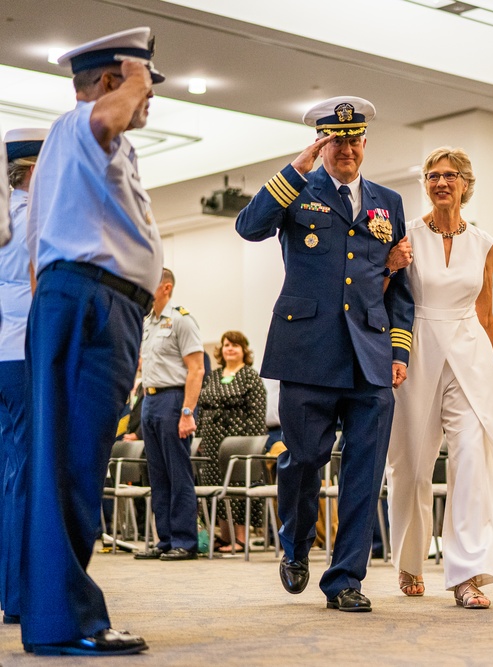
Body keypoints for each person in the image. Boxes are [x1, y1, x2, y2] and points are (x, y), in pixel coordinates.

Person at [236, 96, 414, 613]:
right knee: (304, 459)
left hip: (370, 353)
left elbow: (401, 286)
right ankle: (294, 545)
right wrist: (295, 169)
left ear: (365, 143)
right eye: (336, 140)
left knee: (365, 469)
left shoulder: (387, 201)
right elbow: (249, 227)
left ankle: (345, 580)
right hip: (307, 349)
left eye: (355, 140)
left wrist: (398, 347)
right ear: (321, 143)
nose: (347, 150)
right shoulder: (298, 189)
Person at [21, 27, 164, 655]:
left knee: (72, 463)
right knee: (71, 467)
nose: (149, 99)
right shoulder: (84, 126)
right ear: (110, 84)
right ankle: (68, 621)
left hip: (90, 304)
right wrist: (131, 80)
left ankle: (58, 613)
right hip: (91, 302)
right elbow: (107, 115)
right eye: (145, 87)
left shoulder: (85, 152)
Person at [386, 146, 493, 609]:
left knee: (470, 458)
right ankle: (410, 559)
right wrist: (389, 267)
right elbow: (384, 294)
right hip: (417, 348)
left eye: (450, 175)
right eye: (432, 175)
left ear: (466, 183)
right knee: (411, 463)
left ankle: (467, 575)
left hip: (470, 355)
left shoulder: (485, 243)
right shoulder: (404, 236)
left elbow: (486, 313)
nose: (441, 182)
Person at [0, 128, 46, 627]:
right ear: (35, 169)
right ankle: (18, 595)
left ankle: (8, 587)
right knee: (26, 477)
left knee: (6, 475)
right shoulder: (38, 215)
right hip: (24, 351)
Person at [133, 268, 204, 562]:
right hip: (149, 400)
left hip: (174, 399)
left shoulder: (181, 320)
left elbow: (196, 369)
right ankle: (166, 539)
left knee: (177, 473)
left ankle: (185, 540)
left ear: (166, 288)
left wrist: (187, 411)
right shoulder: (147, 322)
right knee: (158, 475)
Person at [196, 331, 267, 552]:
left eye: (235, 345)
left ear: (244, 350)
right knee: (215, 487)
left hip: (238, 442)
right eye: (226, 345)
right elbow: (202, 408)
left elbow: (257, 414)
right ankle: (225, 537)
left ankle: (241, 538)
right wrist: (199, 435)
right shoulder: (214, 375)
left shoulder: (250, 376)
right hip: (211, 441)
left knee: (236, 486)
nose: (230, 349)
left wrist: (248, 443)